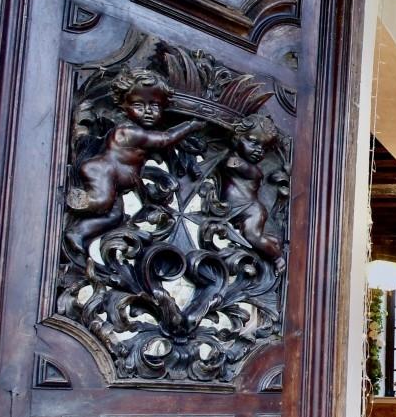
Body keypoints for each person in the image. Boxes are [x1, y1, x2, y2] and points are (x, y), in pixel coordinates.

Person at [66, 69, 204, 253]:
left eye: (155, 106)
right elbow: (164, 139)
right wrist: (190, 125)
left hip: (116, 182)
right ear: (123, 105)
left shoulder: (140, 131)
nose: (148, 112)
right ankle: (84, 200)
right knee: (102, 203)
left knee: (113, 216)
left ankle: (78, 233)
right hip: (103, 171)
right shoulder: (129, 131)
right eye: (139, 106)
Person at [219, 113, 285, 269]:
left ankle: (277, 257)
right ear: (236, 138)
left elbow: (233, 164)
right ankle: (272, 242)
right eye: (253, 142)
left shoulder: (253, 170)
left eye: (264, 148)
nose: (259, 151)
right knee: (254, 236)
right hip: (235, 210)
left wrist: (231, 160)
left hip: (251, 210)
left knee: (251, 236)